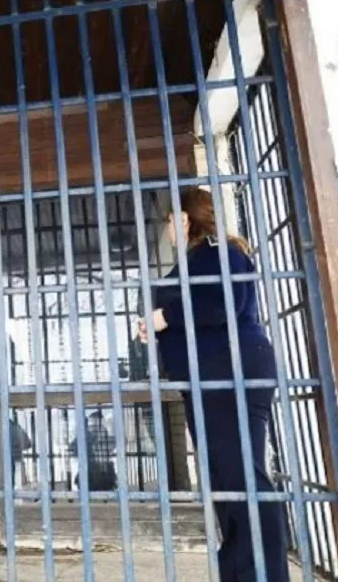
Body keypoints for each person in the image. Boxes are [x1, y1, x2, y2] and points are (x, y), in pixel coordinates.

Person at [137, 188, 290, 582]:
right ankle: (240, 571)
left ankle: (265, 573)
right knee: (226, 481)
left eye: (170, 221)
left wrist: (165, 317)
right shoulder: (199, 258)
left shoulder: (218, 250)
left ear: (184, 218)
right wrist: (156, 326)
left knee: (241, 476)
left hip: (229, 370)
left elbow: (221, 303)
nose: (169, 230)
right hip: (212, 374)